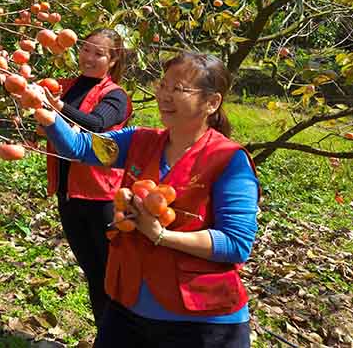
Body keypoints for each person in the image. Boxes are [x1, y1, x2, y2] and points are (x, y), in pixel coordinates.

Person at [34, 51, 260, 348]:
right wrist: (48, 116)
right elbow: (81, 147)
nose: (164, 96)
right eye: (163, 85)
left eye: (177, 89)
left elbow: (236, 244)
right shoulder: (139, 141)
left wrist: (161, 236)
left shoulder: (229, 160)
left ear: (212, 102)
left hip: (200, 322)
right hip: (129, 307)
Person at [41, 28, 132, 325]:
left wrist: (57, 109)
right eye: (86, 50)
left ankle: (122, 334)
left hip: (101, 196)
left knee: (111, 274)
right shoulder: (65, 86)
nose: (89, 58)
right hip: (68, 192)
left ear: (113, 59)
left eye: (99, 53)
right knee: (93, 272)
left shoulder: (115, 96)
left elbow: (97, 123)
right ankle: (106, 334)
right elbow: (52, 126)